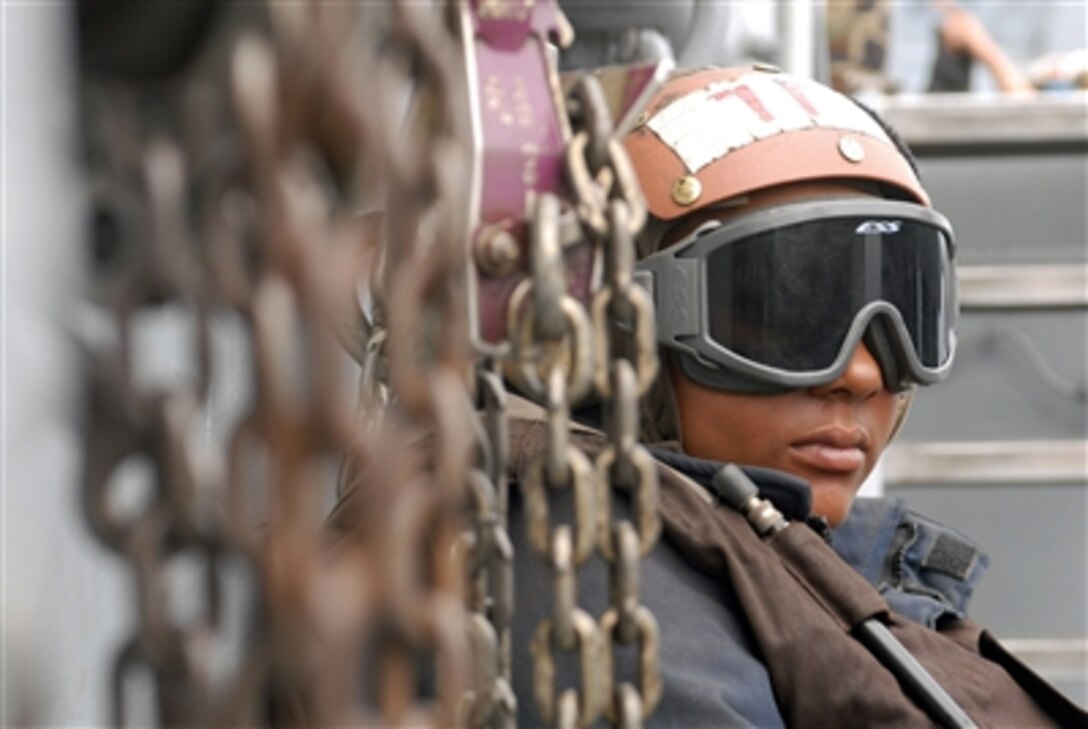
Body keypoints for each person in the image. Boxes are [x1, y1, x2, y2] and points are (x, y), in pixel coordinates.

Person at [506, 65, 1085, 726]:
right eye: (789, 311)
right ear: (625, 331)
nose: (863, 373)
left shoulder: (782, 565)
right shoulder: (605, 589)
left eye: (899, 313)